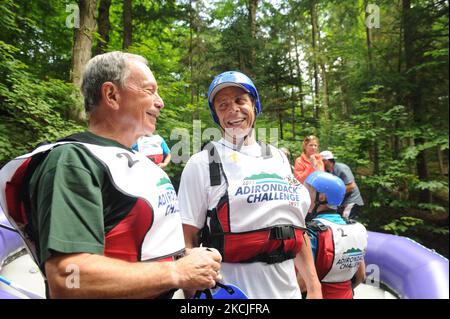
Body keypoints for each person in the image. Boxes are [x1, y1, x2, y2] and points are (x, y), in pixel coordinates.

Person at [0, 51, 222, 298]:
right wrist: (175, 272)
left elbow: (138, 246)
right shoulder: (73, 161)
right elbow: (68, 277)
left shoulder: (143, 164)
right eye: (150, 90)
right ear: (111, 95)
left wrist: (187, 260)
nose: (160, 102)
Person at [178, 71, 322, 299]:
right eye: (222, 105)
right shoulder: (202, 163)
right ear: (216, 115)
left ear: (254, 105)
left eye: (239, 100)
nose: (232, 109)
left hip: (289, 293)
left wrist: (314, 287)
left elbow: (295, 225)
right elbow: (187, 241)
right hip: (231, 295)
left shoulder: (277, 157)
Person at [300, 171, 367, 299]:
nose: (305, 196)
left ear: (322, 197)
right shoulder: (358, 228)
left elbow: (303, 285)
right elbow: (361, 276)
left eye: (308, 191)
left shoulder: (312, 232)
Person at [320, 150, 364, 219]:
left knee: (346, 222)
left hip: (351, 201)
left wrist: (334, 194)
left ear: (326, 161)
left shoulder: (342, 168)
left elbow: (352, 186)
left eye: (321, 161)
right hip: (341, 203)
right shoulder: (328, 172)